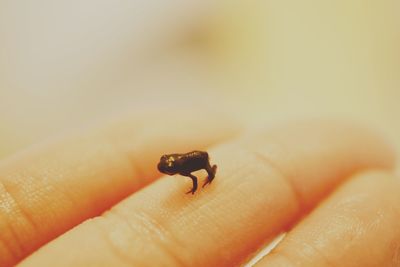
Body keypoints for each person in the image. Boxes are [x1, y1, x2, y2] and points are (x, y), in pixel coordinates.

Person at [0, 109, 398, 267]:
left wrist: (200, 181)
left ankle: (213, 172)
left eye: (166, 167)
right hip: (193, 160)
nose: (165, 170)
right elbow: (178, 169)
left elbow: (193, 170)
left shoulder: (188, 166)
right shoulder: (175, 168)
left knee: (207, 166)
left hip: (200, 159)